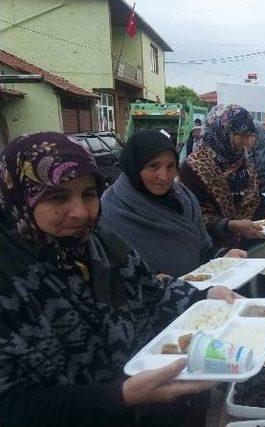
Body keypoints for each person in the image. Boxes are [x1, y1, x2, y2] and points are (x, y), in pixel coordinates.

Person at [0, 132, 239, 427]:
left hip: (146, 407)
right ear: (22, 195)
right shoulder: (10, 277)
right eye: (58, 197)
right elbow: (11, 405)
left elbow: (151, 290)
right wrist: (119, 395)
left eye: (88, 194)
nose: (80, 212)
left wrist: (204, 296)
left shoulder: (101, 243)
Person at [100, 130, 245, 278]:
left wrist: (223, 255)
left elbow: (203, 249)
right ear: (134, 167)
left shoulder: (185, 198)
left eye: (171, 166)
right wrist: (151, 284)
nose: (164, 176)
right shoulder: (112, 210)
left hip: (200, 292)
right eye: (153, 166)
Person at [180, 104, 265, 248]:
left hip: (251, 248)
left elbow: (256, 201)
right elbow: (193, 217)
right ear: (221, 131)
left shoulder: (244, 163)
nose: (246, 142)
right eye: (241, 136)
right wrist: (232, 225)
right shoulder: (193, 168)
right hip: (215, 253)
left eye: (249, 135)